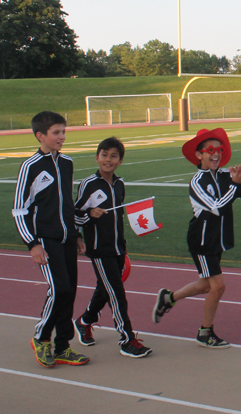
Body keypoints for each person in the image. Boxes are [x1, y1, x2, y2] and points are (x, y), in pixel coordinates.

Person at [152, 128, 241, 348]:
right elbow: (216, 207)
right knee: (218, 286)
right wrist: (235, 186)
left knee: (205, 285)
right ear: (199, 155)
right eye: (210, 149)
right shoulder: (197, 182)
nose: (215, 153)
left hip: (219, 238)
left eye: (219, 149)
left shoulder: (225, 175)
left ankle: (168, 298)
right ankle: (205, 333)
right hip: (203, 239)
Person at [12, 111, 89, 368]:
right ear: (40, 136)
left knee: (69, 292)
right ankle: (41, 337)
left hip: (67, 238)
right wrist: (32, 244)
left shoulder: (66, 163)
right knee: (58, 289)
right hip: (45, 240)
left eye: (63, 132)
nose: (62, 137)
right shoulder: (30, 166)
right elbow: (20, 209)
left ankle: (63, 347)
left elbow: (66, 203)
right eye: (56, 132)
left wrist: (76, 234)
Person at [73, 137, 152, 358]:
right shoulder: (89, 184)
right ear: (97, 157)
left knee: (105, 288)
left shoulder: (119, 184)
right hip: (99, 249)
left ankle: (84, 320)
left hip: (118, 247)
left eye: (113, 156)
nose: (108, 159)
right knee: (116, 293)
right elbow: (74, 213)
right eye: (104, 154)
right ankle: (127, 339)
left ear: (120, 160)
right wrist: (89, 214)